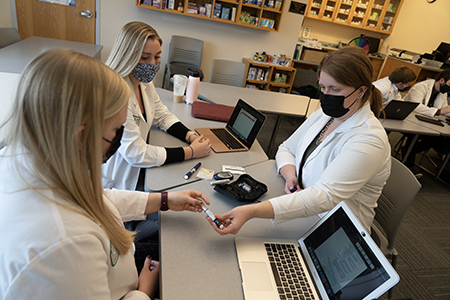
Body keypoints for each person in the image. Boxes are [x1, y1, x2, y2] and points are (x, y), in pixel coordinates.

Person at [0, 48, 210, 299]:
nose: (118, 138)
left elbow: (95, 197)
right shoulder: (62, 245)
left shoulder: (31, 158)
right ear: (81, 134)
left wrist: (164, 200)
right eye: (115, 129)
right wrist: (143, 291)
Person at [206, 47, 391, 235]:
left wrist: (251, 211)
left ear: (360, 91)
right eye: (323, 87)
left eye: (335, 89)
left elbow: (324, 197)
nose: (326, 95)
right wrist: (290, 176)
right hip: (305, 210)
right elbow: (286, 148)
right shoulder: (325, 115)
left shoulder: (368, 139)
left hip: (335, 228)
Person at [102, 21, 211, 192]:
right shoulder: (114, 92)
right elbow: (135, 153)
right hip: (116, 181)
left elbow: (161, 115)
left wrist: (190, 136)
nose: (152, 64)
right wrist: (190, 152)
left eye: (157, 56)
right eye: (145, 58)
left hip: (139, 171)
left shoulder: (143, 82)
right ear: (126, 56)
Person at [401, 69, 450, 176]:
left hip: (426, 122)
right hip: (408, 120)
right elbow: (416, 106)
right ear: (442, 80)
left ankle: (408, 151)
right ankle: (409, 166)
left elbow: (444, 109)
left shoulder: (442, 93)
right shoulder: (421, 87)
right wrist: (440, 111)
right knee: (415, 133)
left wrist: (446, 112)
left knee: (439, 138)